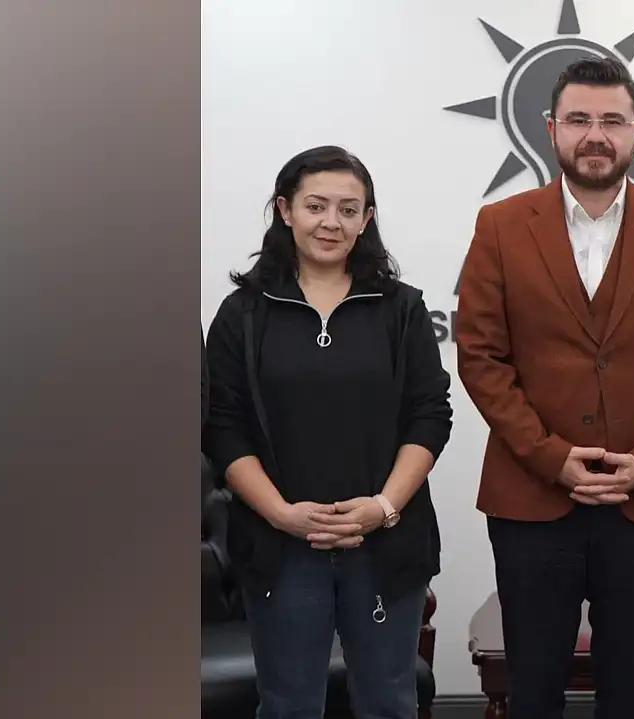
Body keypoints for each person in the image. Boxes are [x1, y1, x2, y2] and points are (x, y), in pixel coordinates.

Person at [455, 57, 634, 719]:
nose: (596, 135)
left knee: (630, 687)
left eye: (612, 120)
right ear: (551, 129)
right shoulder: (500, 224)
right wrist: (551, 457)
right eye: (579, 119)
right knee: (533, 688)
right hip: (531, 498)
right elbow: (481, 357)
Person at [204, 145, 453, 719]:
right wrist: (281, 514)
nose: (331, 222)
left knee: (388, 702)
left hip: (384, 542)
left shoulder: (401, 309)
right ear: (285, 210)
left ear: (367, 219)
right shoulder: (243, 314)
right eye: (316, 206)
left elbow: (429, 415)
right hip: (281, 546)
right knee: (288, 704)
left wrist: (384, 507)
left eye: (348, 209)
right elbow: (223, 428)